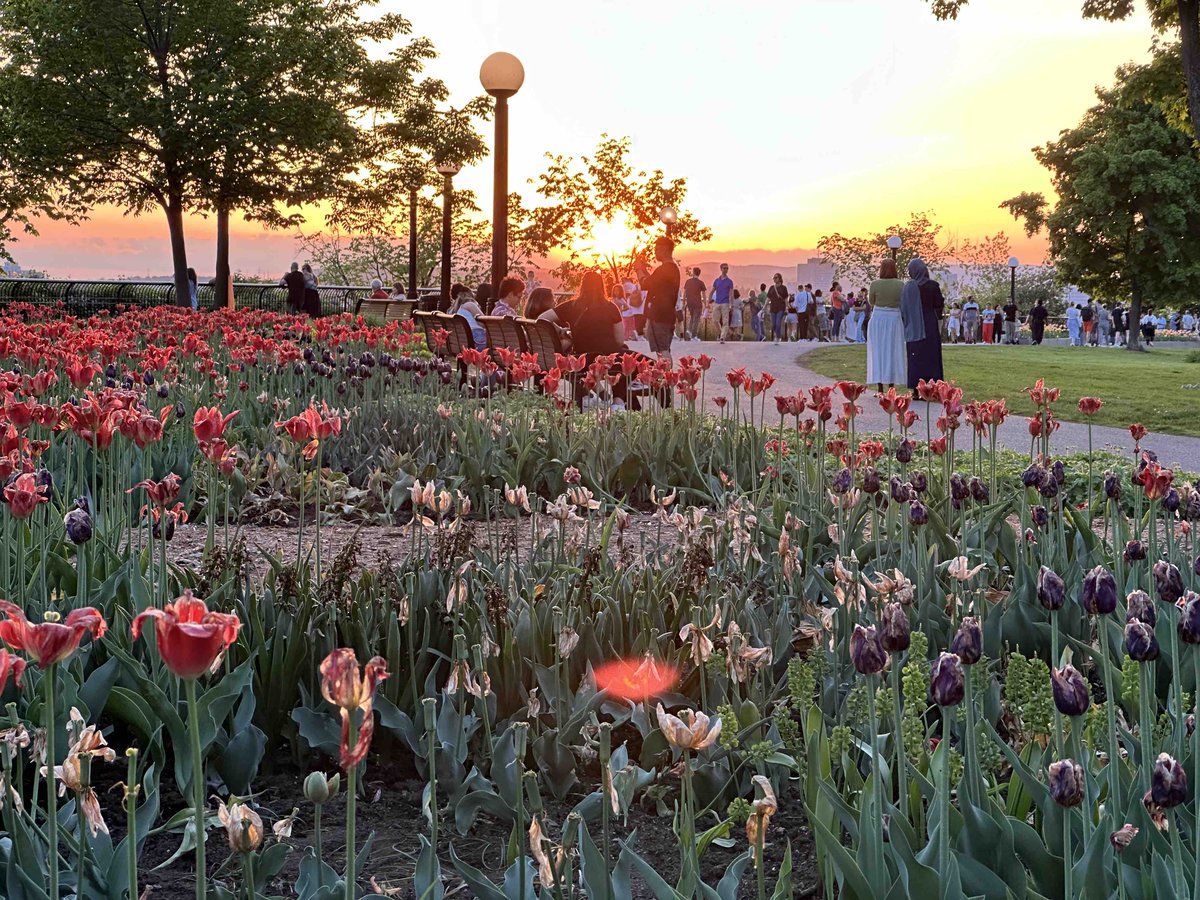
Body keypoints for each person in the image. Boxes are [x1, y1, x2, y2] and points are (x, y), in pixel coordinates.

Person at [538, 271, 624, 356]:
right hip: (608, 360)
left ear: (582, 286)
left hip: (581, 358)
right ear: (602, 287)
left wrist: (560, 330)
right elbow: (619, 341)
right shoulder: (612, 308)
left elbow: (542, 319)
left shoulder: (571, 306)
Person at [634, 236, 681, 363]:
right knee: (663, 349)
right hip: (666, 315)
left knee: (662, 350)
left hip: (660, 316)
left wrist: (638, 270)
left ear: (665, 249)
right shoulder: (671, 269)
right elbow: (653, 284)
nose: (655, 252)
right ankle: (665, 378)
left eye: (657, 249)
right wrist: (644, 270)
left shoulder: (665, 269)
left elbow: (645, 284)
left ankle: (666, 379)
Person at [903, 257, 945, 394]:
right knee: (932, 356)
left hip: (914, 325)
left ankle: (916, 389)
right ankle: (933, 388)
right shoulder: (933, 285)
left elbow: (903, 308)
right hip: (929, 323)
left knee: (915, 356)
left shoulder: (908, 287)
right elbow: (939, 304)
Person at [867, 259, 907, 391]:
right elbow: (903, 302)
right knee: (893, 350)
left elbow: (871, 301)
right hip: (894, 317)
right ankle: (891, 385)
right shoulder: (901, 284)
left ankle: (879, 386)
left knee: (878, 350)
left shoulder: (875, 284)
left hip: (878, 317)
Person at [450, 284, 486, 348]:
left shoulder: (457, 310)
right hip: (476, 339)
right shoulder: (470, 305)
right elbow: (484, 322)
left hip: (463, 341)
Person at [711, 263, 734, 342]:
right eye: (724, 268)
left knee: (725, 321)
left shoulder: (729, 282)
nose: (726, 270)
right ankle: (722, 333)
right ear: (721, 269)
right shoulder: (717, 281)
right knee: (715, 320)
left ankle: (722, 337)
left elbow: (731, 294)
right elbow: (712, 291)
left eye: (727, 268)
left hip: (725, 303)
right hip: (717, 302)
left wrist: (732, 304)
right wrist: (708, 301)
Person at [682, 267, 706, 341]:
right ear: (699, 273)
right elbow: (704, 295)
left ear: (693, 272)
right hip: (697, 303)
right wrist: (705, 304)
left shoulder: (688, 281)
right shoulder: (700, 283)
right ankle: (694, 335)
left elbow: (684, 293)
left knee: (692, 317)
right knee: (696, 319)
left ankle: (689, 330)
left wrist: (683, 303)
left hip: (689, 302)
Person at [767, 274, 789, 343]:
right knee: (773, 324)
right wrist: (764, 307)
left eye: (776, 278)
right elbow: (768, 298)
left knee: (778, 323)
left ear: (780, 279)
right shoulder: (771, 288)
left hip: (781, 308)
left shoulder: (783, 288)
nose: (774, 279)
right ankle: (777, 335)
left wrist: (787, 307)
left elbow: (786, 298)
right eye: (773, 278)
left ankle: (778, 337)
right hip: (773, 308)